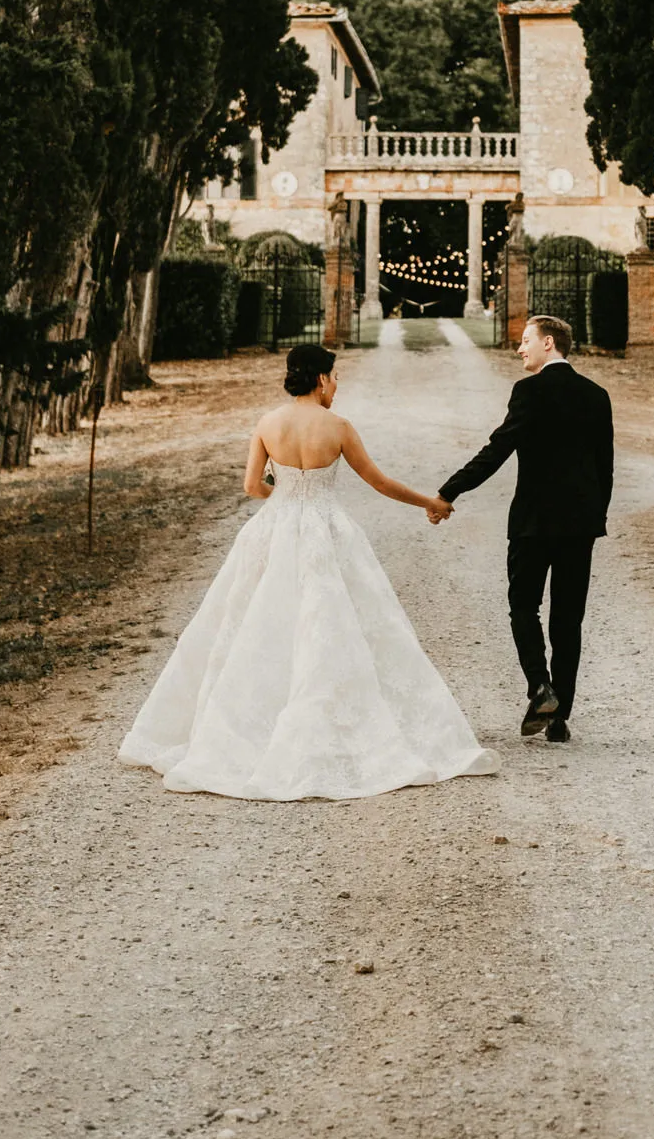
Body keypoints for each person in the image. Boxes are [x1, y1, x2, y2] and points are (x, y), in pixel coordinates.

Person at [119, 342, 498, 800]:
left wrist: (281, 491)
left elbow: (251, 486)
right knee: (329, 623)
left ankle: (242, 726)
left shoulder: (267, 423)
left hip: (273, 528)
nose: (337, 386)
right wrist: (432, 503)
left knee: (258, 623)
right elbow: (379, 482)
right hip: (324, 530)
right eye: (335, 377)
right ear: (321, 379)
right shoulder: (337, 427)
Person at [436, 314, 613, 744]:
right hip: (580, 527)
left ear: (549, 343)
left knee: (523, 607)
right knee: (568, 620)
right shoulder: (597, 395)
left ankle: (539, 686)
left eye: (525, 341)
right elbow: (604, 468)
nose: (520, 348)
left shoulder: (529, 392)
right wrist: (595, 517)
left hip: (533, 523)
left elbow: (497, 450)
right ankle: (559, 717)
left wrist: (449, 491)